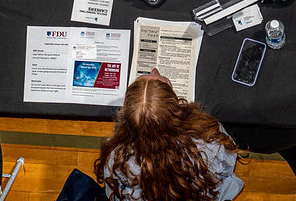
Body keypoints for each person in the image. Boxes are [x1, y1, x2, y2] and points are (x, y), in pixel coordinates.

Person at [95, 69, 244, 201]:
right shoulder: (209, 137)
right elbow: (228, 167)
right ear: (174, 108)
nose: (154, 70)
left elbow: (113, 190)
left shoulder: (116, 158)